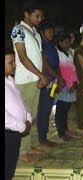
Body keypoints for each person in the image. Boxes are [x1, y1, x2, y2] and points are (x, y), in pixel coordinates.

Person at [10, 1, 49, 162]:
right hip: (25, 79)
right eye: (36, 16)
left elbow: (39, 57)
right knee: (22, 116)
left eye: (41, 16)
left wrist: (42, 76)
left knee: (31, 115)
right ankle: (21, 151)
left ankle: (28, 146)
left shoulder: (35, 32)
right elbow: (22, 57)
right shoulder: (18, 30)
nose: (40, 19)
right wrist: (41, 75)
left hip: (35, 79)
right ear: (26, 14)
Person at [5, 47, 32, 180]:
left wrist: (27, 118)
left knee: (10, 169)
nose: (15, 66)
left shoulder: (10, 81)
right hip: (8, 133)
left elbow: (21, 103)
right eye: (11, 62)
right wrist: (22, 126)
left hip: (14, 133)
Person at [37, 20, 65, 148]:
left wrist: (59, 78)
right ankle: (42, 138)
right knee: (43, 109)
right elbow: (46, 65)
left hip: (53, 80)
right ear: (42, 32)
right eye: (48, 31)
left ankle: (44, 136)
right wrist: (58, 77)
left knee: (48, 108)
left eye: (52, 31)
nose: (51, 34)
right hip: (46, 80)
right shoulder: (41, 44)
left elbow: (56, 63)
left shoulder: (51, 45)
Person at [55, 31, 79, 141]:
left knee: (66, 109)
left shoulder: (69, 53)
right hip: (63, 84)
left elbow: (73, 70)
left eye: (69, 42)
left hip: (71, 84)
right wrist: (70, 84)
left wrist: (75, 82)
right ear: (59, 43)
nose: (68, 44)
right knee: (61, 109)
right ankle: (61, 132)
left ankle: (65, 129)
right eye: (65, 42)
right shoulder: (57, 54)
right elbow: (62, 71)